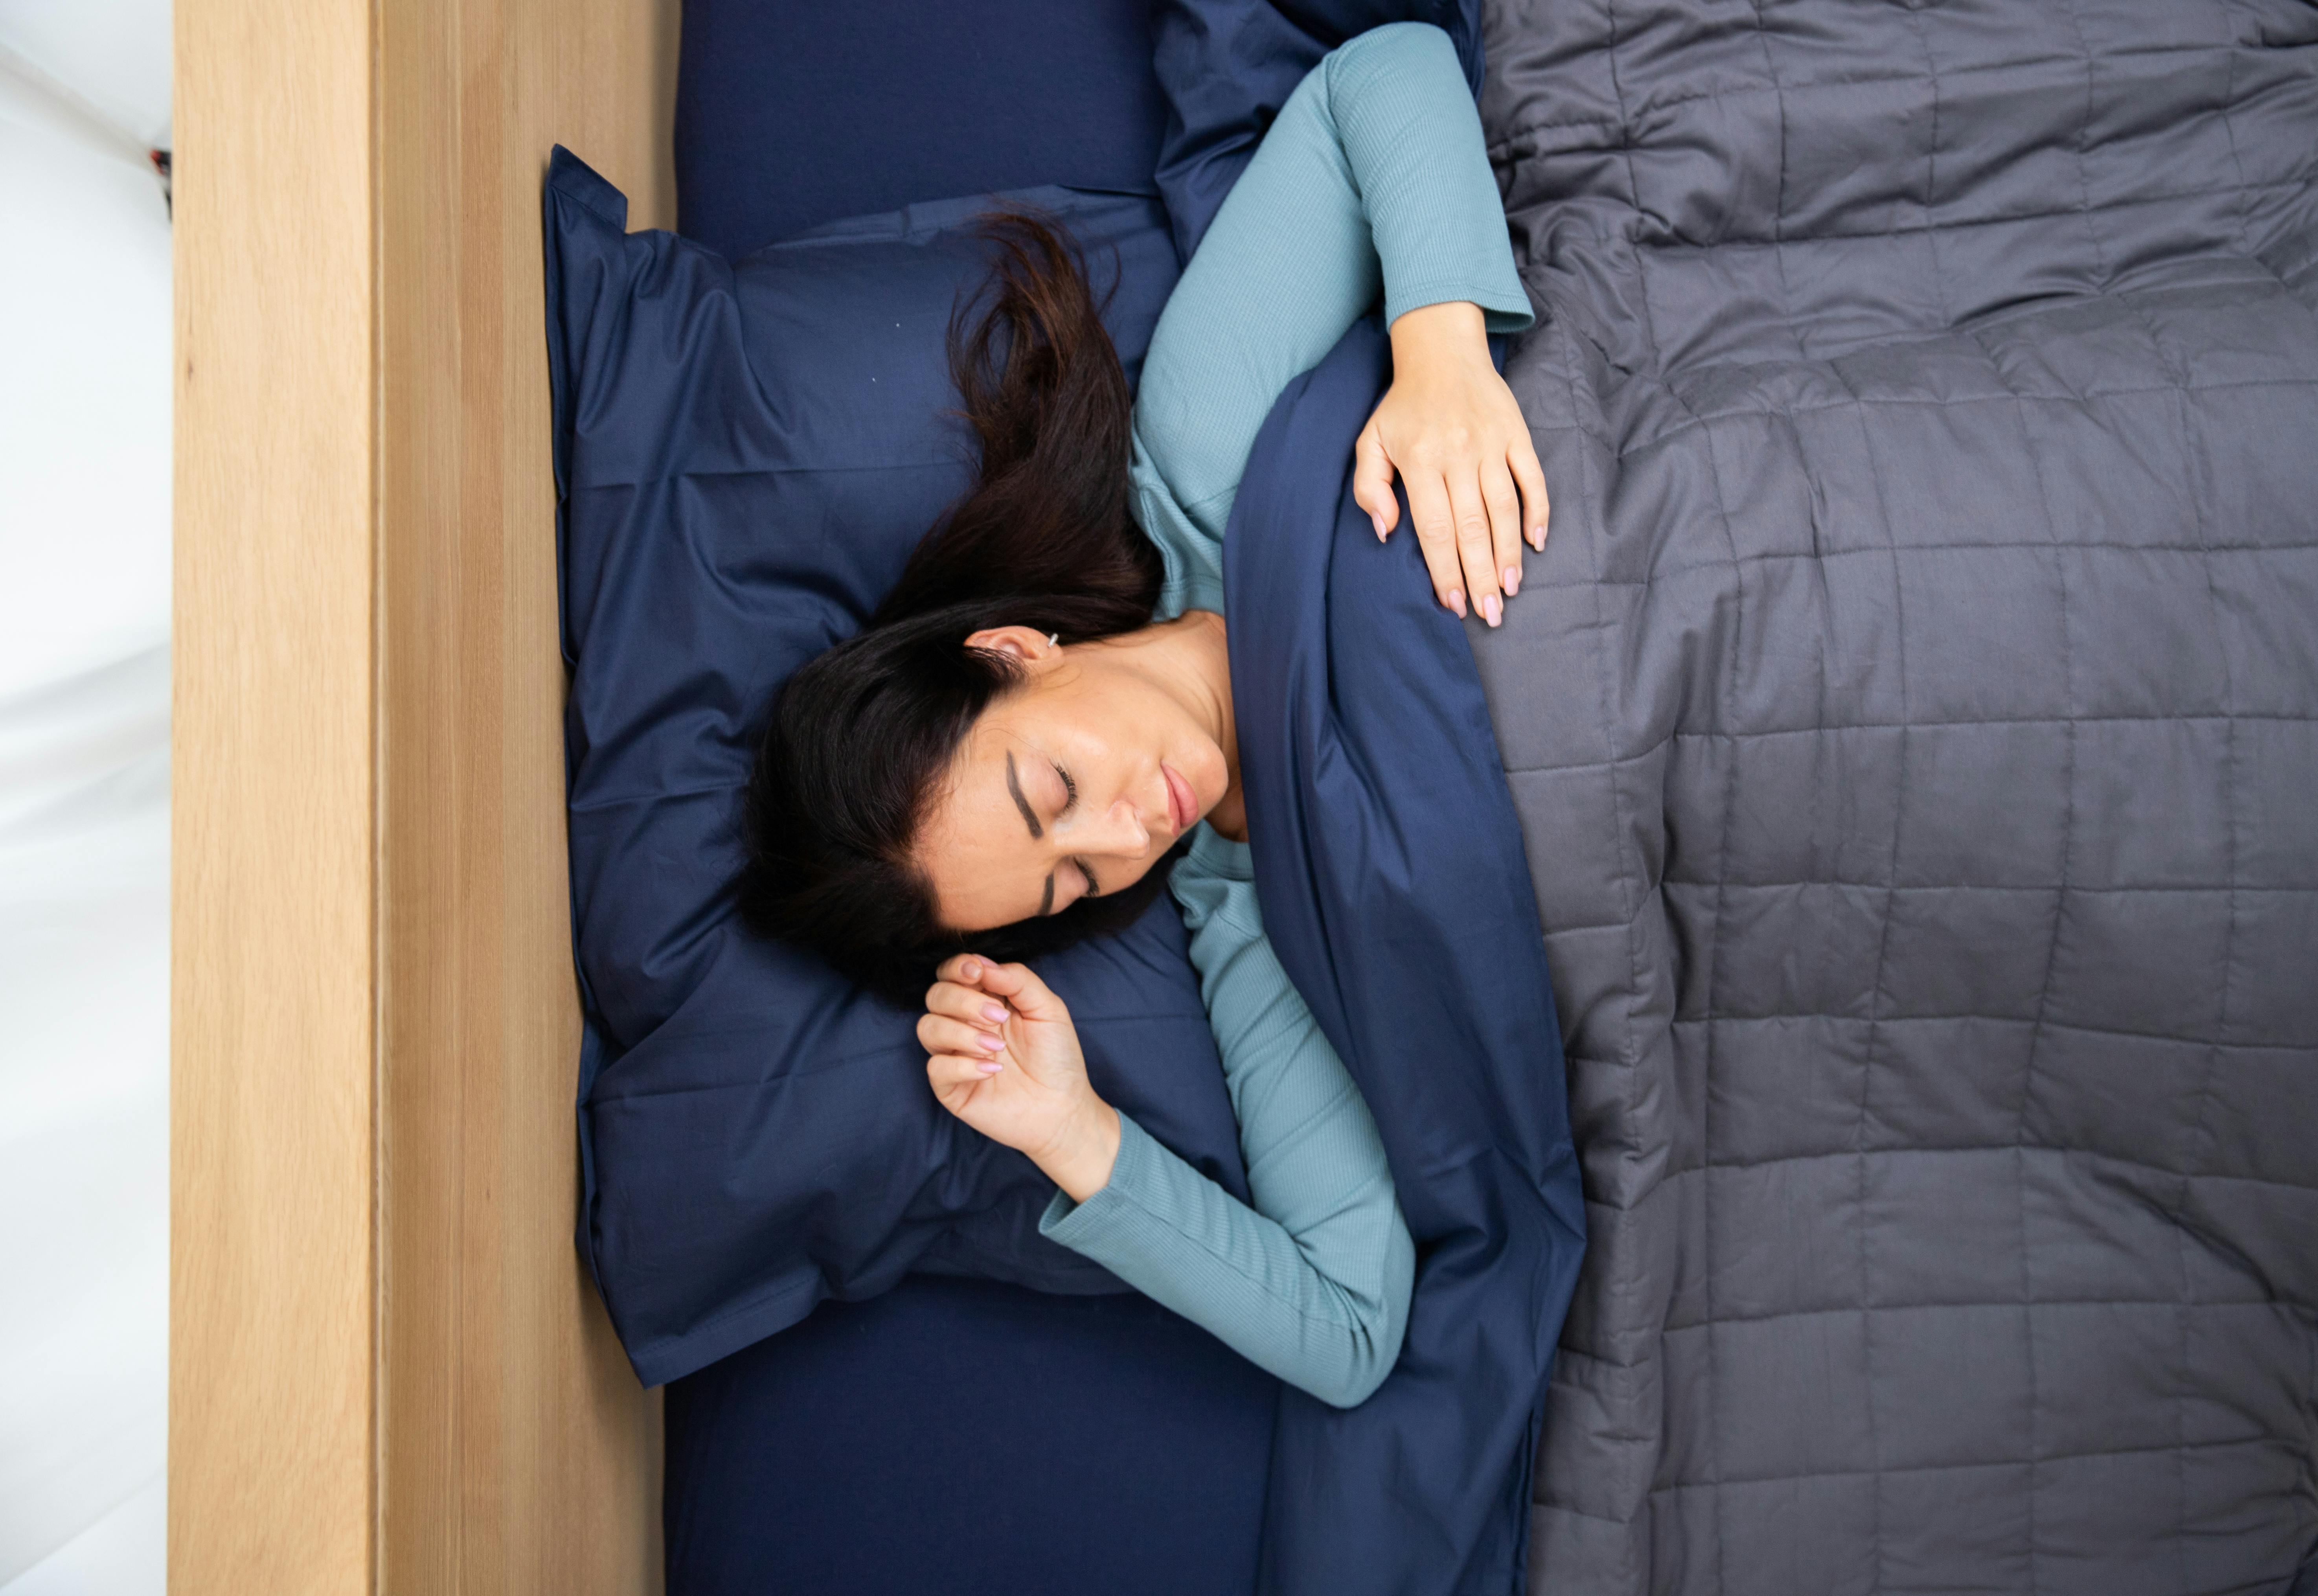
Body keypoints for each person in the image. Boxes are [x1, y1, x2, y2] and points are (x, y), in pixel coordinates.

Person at [740, 22, 1546, 1409]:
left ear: (1014, 651)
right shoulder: (1247, 929)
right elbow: (1350, 1328)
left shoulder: (1201, 445)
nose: (1126, 838)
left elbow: (1386, 72)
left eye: (1052, 791)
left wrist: (1441, 358)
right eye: (1070, 878)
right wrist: (1074, 1130)